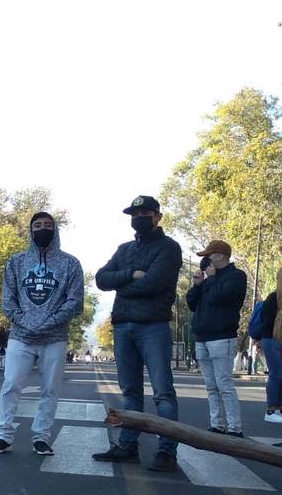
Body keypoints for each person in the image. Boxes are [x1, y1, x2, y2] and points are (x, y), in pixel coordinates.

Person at [92, 195, 182, 472]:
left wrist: (122, 284)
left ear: (157, 216)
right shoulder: (124, 249)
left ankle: (167, 451)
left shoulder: (170, 248)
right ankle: (128, 446)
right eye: (135, 213)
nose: (138, 217)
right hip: (123, 325)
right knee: (130, 392)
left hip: (152, 325)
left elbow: (155, 283)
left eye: (144, 212)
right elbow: (101, 278)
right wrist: (131, 274)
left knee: (163, 392)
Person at [0, 211, 84, 455]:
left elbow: (74, 302)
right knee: (10, 385)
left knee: (50, 390)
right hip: (21, 337)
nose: (42, 229)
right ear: (30, 231)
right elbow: (7, 302)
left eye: (48, 225)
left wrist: (49, 322)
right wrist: (26, 322)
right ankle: (4, 436)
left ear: (56, 230)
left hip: (54, 338)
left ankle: (41, 437)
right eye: (37, 225)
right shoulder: (16, 262)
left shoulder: (70, 264)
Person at [185, 240, 247, 437]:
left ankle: (234, 428)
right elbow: (192, 305)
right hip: (202, 336)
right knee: (211, 386)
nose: (205, 260)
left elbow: (219, 297)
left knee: (224, 384)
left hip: (221, 336)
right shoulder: (207, 280)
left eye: (208, 256)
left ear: (220, 256)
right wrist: (196, 286)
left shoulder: (236, 276)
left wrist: (210, 280)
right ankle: (216, 424)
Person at [257, 269, 282, 429]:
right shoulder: (274, 298)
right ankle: (272, 408)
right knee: (277, 373)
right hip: (272, 339)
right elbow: (265, 321)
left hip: (273, 339)